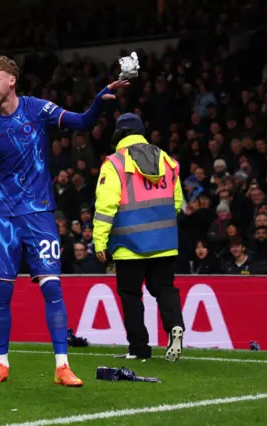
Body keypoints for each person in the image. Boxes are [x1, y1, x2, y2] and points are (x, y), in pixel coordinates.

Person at [0, 55, 128, 386]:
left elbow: (83, 122)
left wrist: (99, 100)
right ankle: (1, 363)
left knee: (52, 287)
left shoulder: (37, 109)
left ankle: (62, 366)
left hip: (40, 213)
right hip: (5, 217)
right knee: (1, 292)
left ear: (12, 80)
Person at [93, 113, 185, 362]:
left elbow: (106, 206)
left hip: (129, 244)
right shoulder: (167, 160)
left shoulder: (114, 163)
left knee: (131, 295)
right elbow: (177, 202)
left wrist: (99, 241)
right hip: (164, 241)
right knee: (164, 287)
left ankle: (139, 348)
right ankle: (175, 324)